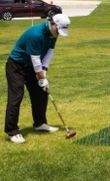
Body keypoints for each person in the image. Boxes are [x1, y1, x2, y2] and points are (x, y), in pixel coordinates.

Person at [4, 14, 71, 144]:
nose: (59, 34)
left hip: (31, 66)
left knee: (41, 93)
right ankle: (12, 131)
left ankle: (40, 123)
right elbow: (35, 59)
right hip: (16, 66)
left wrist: (44, 71)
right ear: (53, 24)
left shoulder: (53, 33)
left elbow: (50, 52)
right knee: (16, 96)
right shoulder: (36, 34)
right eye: (58, 30)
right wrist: (41, 76)